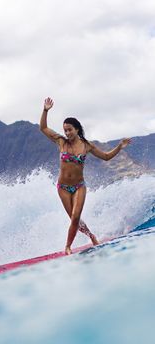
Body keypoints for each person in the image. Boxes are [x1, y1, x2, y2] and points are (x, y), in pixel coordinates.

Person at [40, 97, 131, 255]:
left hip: (79, 187)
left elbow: (106, 156)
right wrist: (45, 110)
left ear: (76, 129)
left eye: (70, 130)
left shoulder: (86, 145)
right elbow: (43, 128)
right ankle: (91, 235)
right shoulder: (61, 142)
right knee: (75, 220)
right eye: (65, 130)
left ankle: (67, 247)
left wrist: (119, 147)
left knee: (75, 217)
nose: (67, 133)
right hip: (62, 188)